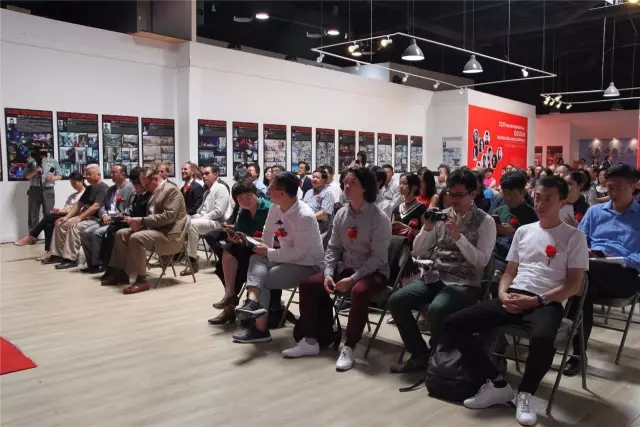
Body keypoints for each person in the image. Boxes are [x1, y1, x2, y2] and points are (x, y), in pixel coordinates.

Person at [441, 175, 588, 426]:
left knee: (543, 339)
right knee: (453, 324)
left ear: (563, 202)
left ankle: (526, 393)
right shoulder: (524, 231)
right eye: (538, 198)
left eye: (548, 199)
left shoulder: (574, 237)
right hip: (513, 294)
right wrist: (502, 293)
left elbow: (574, 286)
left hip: (546, 301)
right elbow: (509, 272)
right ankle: (496, 383)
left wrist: (537, 301)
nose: (540, 204)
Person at [388, 168, 497, 373]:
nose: (453, 200)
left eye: (459, 195)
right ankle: (420, 355)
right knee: (396, 300)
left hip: (466, 283)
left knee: (437, 309)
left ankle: (439, 360)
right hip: (437, 276)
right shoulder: (442, 216)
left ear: (473, 194)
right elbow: (418, 251)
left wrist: (459, 238)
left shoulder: (485, 222)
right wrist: (427, 228)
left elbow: (481, 261)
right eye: (450, 194)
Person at [282, 166, 391, 371]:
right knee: (308, 284)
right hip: (346, 267)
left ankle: (350, 346)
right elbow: (333, 247)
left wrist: (353, 278)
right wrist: (328, 273)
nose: (346, 186)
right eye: (345, 182)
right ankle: (310, 340)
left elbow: (377, 258)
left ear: (365, 188)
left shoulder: (378, 217)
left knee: (359, 291)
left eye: (353, 183)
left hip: (373, 272)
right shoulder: (342, 213)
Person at [564, 164, 640, 377]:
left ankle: (558, 333)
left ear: (633, 186)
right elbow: (579, 242)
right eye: (610, 188)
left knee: (579, 280)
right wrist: (587, 252)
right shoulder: (595, 212)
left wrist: (623, 259)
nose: (613, 193)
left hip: (625, 275)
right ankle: (578, 353)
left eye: (620, 188)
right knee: (583, 289)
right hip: (592, 272)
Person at [232, 171, 325, 343]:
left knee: (264, 279)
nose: (268, 190)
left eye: (272, 187)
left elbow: (298, 253)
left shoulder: (304, 215)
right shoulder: (276, 208)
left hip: (307, 264)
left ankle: (260, 329)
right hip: (286, 256)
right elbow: (267, 233)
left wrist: (267, 252)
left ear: (282, 193)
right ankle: (252, 301)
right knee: (255, 258)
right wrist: (262, 247)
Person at [100, 166, 187, 294]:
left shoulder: (171, 191)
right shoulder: (154, 191)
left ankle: (141, 279)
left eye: (146, 185)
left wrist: (141, 221)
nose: (145, 188)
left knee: (137, 238)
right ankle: (120, 272)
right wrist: (138, 224)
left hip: (170, 235)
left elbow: (168, 217)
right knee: (121, 234)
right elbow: (151, 217)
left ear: (155, 179)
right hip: (156, 231)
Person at [207, 181, 272, 325]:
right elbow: (244, 236)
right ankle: (230, 297)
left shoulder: (269, 209)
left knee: (230, 261)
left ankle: (230, 303)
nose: (245, 200)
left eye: (248, 195)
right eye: (240, 198)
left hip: (268, 251)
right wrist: (238, 239)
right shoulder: (243, 212)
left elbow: (274, 239)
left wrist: (247, 238)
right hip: (251, 248)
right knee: (227, 252)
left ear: (256, 194)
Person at [45, 165, 109, 269]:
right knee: (60, 224)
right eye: (86, 174)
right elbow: (78, 204)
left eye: (90, 174)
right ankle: (57, 255)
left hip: (96, 219)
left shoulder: (103, 188)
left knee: (73, 226)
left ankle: (70, 258)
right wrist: (66, 217)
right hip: (85, 217)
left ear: (98, 175)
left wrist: (79, 218)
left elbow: (96, 206)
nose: (87, 176)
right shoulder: (89, 188)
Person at [79, 164, 134, 273]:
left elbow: (130, 209)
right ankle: (91, 263)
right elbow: (102, 206)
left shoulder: (130, 189)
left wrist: (116, 216)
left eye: (114, 172)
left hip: (118, 221)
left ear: (123, 174)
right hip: (105, 219)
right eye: (111, 172)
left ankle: (99, 264)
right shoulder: (109, 190)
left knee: (97, 233)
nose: (111, 175)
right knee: (84, 232)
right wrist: (104, 215)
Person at [98, 167, 151, 274]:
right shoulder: (137, 195)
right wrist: (105, 215)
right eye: (135, 185)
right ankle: (111, 267)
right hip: (124, 221)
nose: (135, 188)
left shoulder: (145, 195)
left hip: (140, 224)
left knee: (113, 232)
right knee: (112, 231)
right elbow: (102, 206)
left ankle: (118, 268)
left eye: (138, 185)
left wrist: (132, 219)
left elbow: (135, 211)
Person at [14, 172, 85, 250]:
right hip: (67, 214)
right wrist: (59, 210)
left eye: (74, 183)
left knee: (48, 217)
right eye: (71, 184)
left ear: (81, 181)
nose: (73, 186)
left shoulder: (84, 194)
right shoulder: (72, 195)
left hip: (75, 216)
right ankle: (49, 250)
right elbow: (67, 208)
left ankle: (32, 237)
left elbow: (80, 210)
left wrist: (62, 212)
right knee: (48, 222)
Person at [183, 164, 231, 275]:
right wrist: (194, 216)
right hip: (206, 220)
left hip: (218, 223)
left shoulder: (221, 188)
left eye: (207, 173)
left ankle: (192, 261)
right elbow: (201, 211)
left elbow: (219, 212)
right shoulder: (207, 191)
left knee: (192, 224)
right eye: (203, 174)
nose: (204, 176)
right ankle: (176, 254)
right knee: (183, 220)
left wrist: (200, 217)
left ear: (215, 174)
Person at [493, 170, 538, 272]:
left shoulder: (534, 216)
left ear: (523, 192)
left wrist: (513, 233)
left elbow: (533, 245)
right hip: (495, 257)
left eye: (511, 195)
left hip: (516, 263)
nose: (507, 198)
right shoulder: (499, 211)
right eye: (504, 194)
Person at [24, 144, 62, 231]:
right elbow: (27, 177)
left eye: (44, 149)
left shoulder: (53, 161)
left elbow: (60, 175)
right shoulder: (31, 161)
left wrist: (52, 178)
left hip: (48, 190)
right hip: (35, 190)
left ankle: (49, 236)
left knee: (49, 214)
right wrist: (35, 171)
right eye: (41, 149)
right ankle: (33, 236)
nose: (43, 151)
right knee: (33, 214)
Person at [302, 168, 336, 233]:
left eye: (317, 177)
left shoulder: (328, 193)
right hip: (306, 225)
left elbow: (324, 214)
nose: (314, 179)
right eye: (313, 177)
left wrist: (307, 219)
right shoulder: (309, 192)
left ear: (324, 180)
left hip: (319, 228)